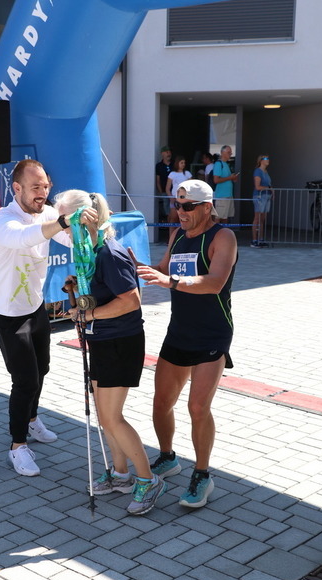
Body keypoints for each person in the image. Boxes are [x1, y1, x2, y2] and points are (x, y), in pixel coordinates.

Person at [55, 189, 166, 515]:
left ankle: (148, 479)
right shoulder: (91, 253)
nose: (64, 229)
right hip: (103, 340)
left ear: (84, 220)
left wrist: (87, 314)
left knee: (111, 417)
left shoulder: (108, 253)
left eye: (67, 222)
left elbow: (131, 301)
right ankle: (121, 474)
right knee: (106, 416)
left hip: (120, 342)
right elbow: (102, 296)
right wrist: (78, 291)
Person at [0, 159, 98, 477]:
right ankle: (17, 446)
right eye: (35, 187)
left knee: (42, 368)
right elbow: (26, 237)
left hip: (34, 308)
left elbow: (70, 239)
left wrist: (90, 227)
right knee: (25, 380)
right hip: (6, 313)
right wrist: (62, 221)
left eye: (46, 186)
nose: (42, 193)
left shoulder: (46, 212)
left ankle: (32, 419)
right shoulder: (3, 220)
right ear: (16, 188)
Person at [133, 179, 237, 509]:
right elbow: (164, 270)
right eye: (177, 205)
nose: (181, 211)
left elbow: (215, 282)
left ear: (207, 207)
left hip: (212, 333)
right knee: (161, 402)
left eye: (188, 206)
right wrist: (140, 268)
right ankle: (168, 457)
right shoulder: (177, 234)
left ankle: (202, 475)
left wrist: (171, 282)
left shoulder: (223, 237)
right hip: (179, 331)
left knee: (197, 407)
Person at [213, 145, 238, 223]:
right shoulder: (218, 164)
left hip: (228, 195)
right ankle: (216, 231)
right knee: (219, 217)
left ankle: (224, 231)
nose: (230, 154)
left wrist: (233, 178)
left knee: (225, 217)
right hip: (222, 196)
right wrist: (230, 177)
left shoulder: (226, 164)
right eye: (228, 152)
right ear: (222, 153)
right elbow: (216, 180)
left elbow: (229, 179)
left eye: (231, 152)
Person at [251, 154, 272, 248]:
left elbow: (268, 185)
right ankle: (254, 240)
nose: (268, 160)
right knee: (257, 218)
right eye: (266, 158)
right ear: (261, 161)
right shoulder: (258, 171)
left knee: (262, 219)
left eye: (268, 158)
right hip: (259, 196)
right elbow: (257, 186)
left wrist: (271, 191)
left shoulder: (266, 172)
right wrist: (268, 188)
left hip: (266, 196)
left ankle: (261, 239)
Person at [166, 156, 192, 225]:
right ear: (177, 163)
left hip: (184, 199)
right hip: (174, 198)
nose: (183, 164)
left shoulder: (187, 173)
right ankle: (171, 232)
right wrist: (171, 198)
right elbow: (167, 188)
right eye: (181, 163)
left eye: (184, 163)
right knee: (173, 218)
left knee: (183, 218)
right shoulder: (172, 174)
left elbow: (191, 187)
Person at [155, 145, 172, 220]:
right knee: (166, 210)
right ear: (162, 153)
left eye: (169, 152)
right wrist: (161, 192)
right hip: (164, 192)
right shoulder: (159, 166)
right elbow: (158, 180)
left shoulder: (174, 164)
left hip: (174, 192)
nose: (169, 154)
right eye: (166, 152)